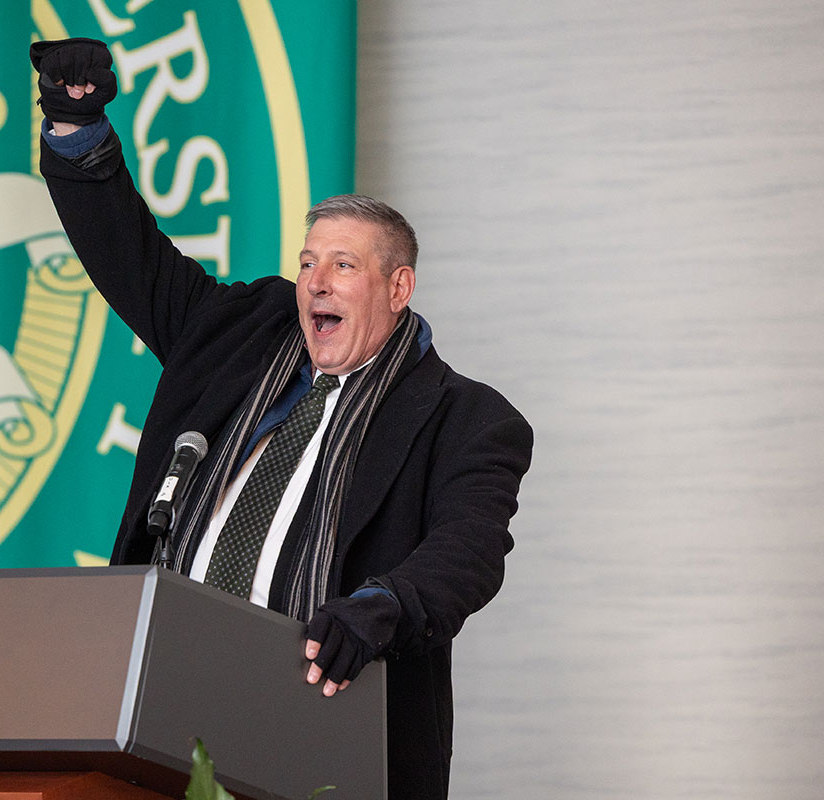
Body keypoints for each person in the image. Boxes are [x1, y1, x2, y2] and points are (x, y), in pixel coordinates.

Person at [31, 38, 533, 799]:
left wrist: (382, 606)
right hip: (162, 705)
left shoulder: (468, 420)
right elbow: (132, 259)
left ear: (399, 288)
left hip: (327, 724)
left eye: (343, 265)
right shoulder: (238, 333)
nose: (315, 282)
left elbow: (467, 551)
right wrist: (78, 130)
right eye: (307, 262)